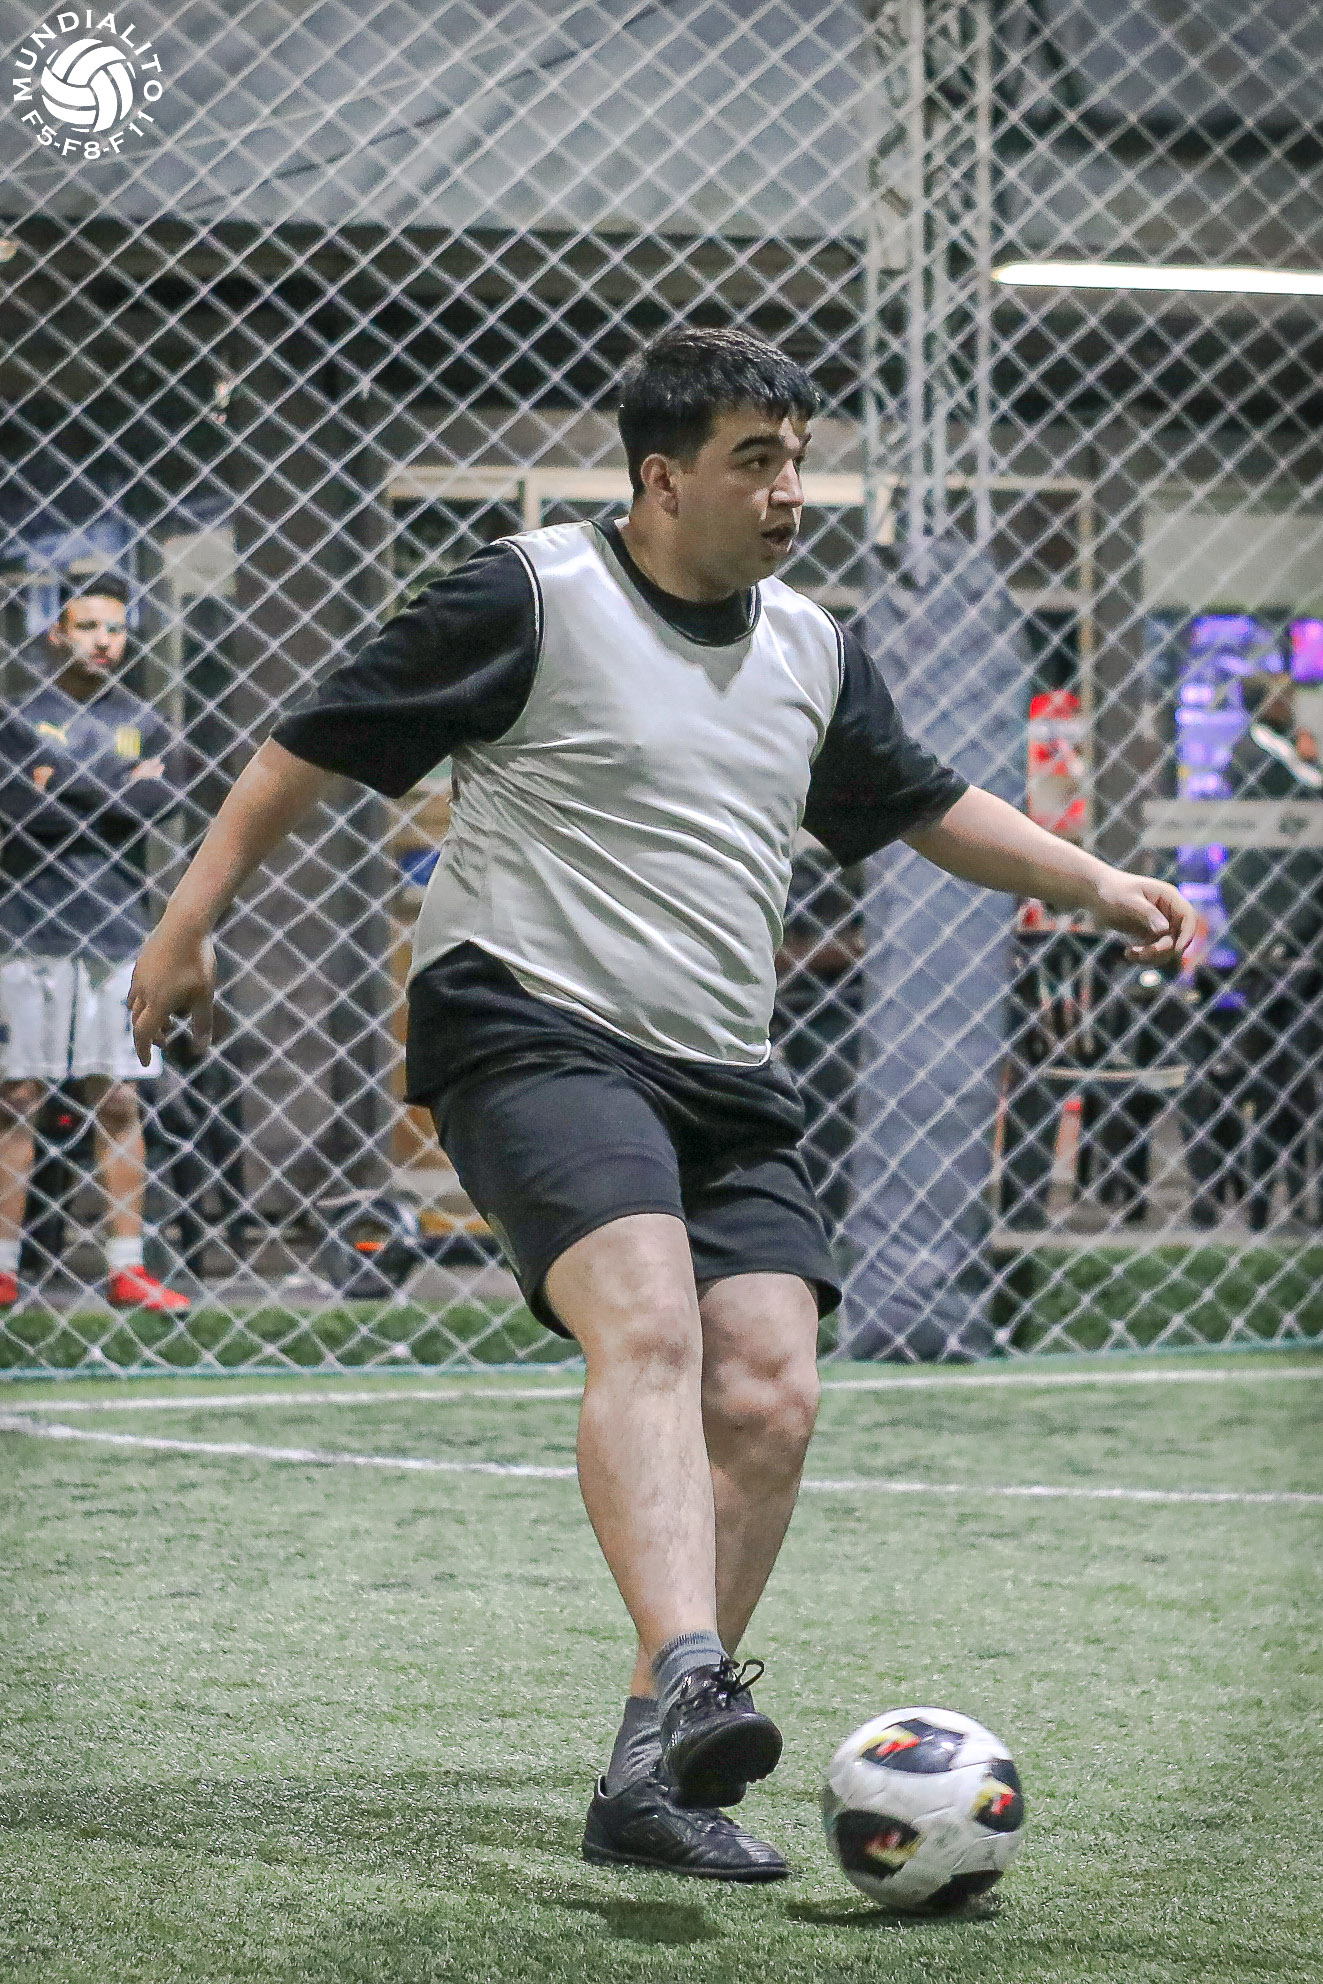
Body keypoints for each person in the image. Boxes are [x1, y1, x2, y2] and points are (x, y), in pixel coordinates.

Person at [129, 328, 1196, 1881]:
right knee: (648, 1322)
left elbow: (920, 804)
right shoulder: (529, 595)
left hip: (721, 1066)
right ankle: (697, 1668)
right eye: (753, 462)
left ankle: (649, 1771)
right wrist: (186, 926)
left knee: (767, 1391)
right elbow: (307, 745)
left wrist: (1095, 882)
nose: (788, 493)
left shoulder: (811, 647)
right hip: (529, 1028)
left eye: (797, 459)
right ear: (658, 479)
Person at [0, 579, 190, 1313]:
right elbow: (19, 809)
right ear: (57, 634)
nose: (103, 640)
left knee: (116, 1097)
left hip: (115, 931)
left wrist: (61, 784)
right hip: (28, 929)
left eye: (114, 627)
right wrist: (113, 787)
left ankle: (126, 1269)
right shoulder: (18, 719)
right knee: (17, 1096)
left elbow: (161, 800)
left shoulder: (145, 720)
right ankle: (5, 1268)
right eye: (87, 626)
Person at [1216, 670, 1322, 1225]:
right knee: (1277, 1066)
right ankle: (1269, 1196)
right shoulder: (1256, 755)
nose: (1295, 705)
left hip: (1296, 923)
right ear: (1266, 704)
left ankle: (1295, 1190)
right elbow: (1306, 800)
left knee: (1293, 1064)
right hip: (1276, 923)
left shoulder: (1280, 751)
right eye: (1286, 698)